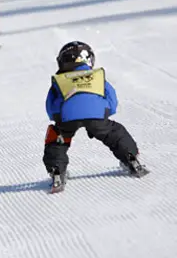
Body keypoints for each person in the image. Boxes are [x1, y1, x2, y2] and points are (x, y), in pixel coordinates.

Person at [44, 41, 148, 191]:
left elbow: (50, 107)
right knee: (114, 133)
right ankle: (131, 158)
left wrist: (59, 118)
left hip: (67, 118)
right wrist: (103, 113)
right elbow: (111, 100)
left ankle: (57, 170)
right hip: (97, 116)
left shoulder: (60, 80)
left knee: (57, 139)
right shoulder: (97, 76)